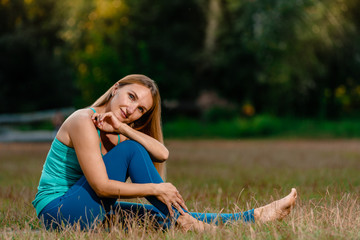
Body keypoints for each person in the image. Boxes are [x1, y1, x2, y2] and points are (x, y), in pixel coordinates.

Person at [32, 74, 297, 232]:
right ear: (116, 89)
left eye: (141, 110)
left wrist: (124, 128)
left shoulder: (120, 129)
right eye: (131, 97)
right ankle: (198, 226)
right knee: (134, 152)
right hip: (59, 211)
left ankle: (255, 216)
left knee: (163, 218)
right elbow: (101, 187)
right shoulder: (82, 120)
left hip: (85, 208)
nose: (132, 109)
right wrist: (156, 189)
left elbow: (162, 153)